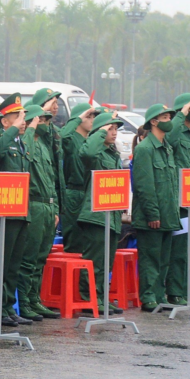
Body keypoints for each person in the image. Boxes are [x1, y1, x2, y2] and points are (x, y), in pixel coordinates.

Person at [73, 112, 126, 311]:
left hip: (111, 214)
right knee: (94, 260)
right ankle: (90, 299)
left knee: (106, 261)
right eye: (109, 129)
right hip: (95, 215)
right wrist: (101, 130)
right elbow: (86, 154)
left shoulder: (113, 154)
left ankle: (101, 297)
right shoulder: (94, 152)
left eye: (115, 129)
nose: (113, 133)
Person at [130, 104, 181, 310]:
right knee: (150, 259)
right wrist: (152, 213)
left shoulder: (167, 147)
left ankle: (159, 296)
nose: (169, 121)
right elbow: (144, 186)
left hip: (168, 214)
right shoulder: (144, 149)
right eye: (166, 117)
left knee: (163, 259)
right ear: (153, 121)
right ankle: (149, 297)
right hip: (152, 215)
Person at [0, 94, 32, 326]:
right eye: (17, 117)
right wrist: (13, 129)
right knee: (1, 264)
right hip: (4, 210)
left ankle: (7, 306)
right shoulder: (1, 137)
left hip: (20, 209)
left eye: (24, 117)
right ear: (5, 121)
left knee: (13, 264)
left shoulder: (19, 141)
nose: (23, 121)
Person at [18, 102, 61, 321]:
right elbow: (26, 157)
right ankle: (24, 302)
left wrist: (55, 208)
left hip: (47, 204)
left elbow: (51, 179)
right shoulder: (27, 142)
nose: (44, 123)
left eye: (46, 120)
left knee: (41, 257)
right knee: (29, 258)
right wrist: (32, 127)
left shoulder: (43, 145)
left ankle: (35, 299)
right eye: (40, 120)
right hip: (33, 204)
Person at [163, 94, 190, 305]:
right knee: (179, 247)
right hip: (179, 201)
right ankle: (174, 292)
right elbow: (168, 140)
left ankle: (186, 291)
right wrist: (180, 116)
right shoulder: (176, 130)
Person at [59, 103, 97, 250]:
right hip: (74, 193)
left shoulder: (90, 140)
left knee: (89, 242)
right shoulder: (71, 139)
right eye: (89, 116)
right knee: (74, 240)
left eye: (94, 117)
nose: (92, 120)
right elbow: (62, 136)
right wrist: (77, 119)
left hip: (90, 193)